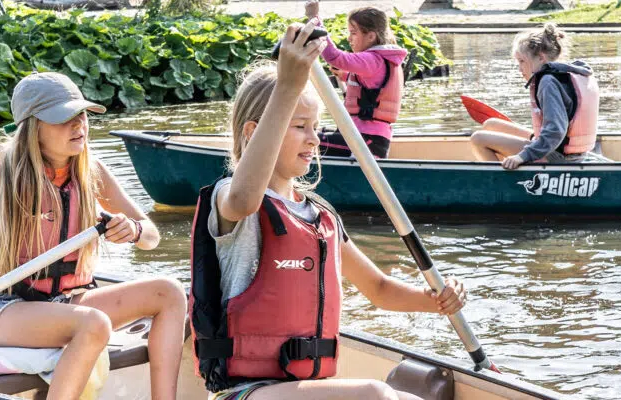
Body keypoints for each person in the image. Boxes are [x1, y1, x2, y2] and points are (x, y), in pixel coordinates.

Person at [189, 24, 469, 400]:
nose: (315, 139)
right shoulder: (233, 199)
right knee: (375, 394)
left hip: (303, 389)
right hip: (243, 392)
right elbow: (243, 200)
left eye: (316, 127)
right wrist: (288, 85)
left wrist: (434, 300)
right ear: (255, 132)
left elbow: (379, 289)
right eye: (300, 126)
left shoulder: (319, 217)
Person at [0, 72, 187, 400]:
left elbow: (151, 236)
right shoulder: (1, 174)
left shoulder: (91, 170)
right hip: (4, 309)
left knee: (170, 293)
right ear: (33, 127)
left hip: (64, 300)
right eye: (65, 118)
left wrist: (134, 231)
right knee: (93, 324)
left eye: (82, 115)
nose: (79, 124)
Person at [468, 23, 604, 169]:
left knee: (478, 139)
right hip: (565, 149)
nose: (519, 68)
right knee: (491, 124)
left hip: (561, 157)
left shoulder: (547, 82)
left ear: (541, 58)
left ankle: (500, 184)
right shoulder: (567, 73)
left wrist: (522, 156)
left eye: (522, 61)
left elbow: (555, 131)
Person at [304, 0, 407, 159]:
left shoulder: (372, 59)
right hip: (363, 137)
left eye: (353, 33)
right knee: (308, 134)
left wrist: (313, 18)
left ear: (371, 36)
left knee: (302, 140)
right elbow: (370, 86)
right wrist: (344, 75)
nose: (349, 38)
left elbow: (334, 57)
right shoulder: (381, 59)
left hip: (366, 140)